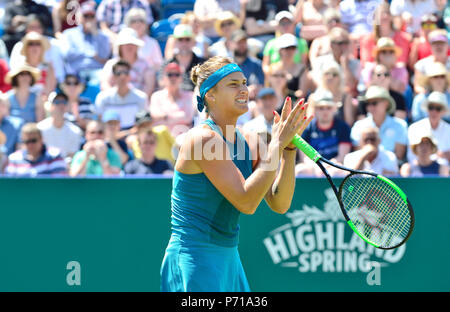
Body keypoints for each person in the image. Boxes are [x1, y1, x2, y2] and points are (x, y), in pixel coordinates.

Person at [160, 56, 313, 292]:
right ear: (210, 94)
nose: (243, 89)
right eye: (233, 84)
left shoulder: (250, 140)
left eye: (244, 83)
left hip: (229, 259)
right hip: (195, 258)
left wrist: (288, 151)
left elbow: (279, 202)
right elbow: (247, 201)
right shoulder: (202, 139)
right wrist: (276, 145)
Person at [295, 90, 352, 177]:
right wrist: (318, 167)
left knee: (338, 172)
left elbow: (342, 156)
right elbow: (304, 157)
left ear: (334, 109)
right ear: (315, 109)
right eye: (321, 108)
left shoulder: (343, 127)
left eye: (328, 108)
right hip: (313, 167)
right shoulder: (307, 128)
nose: (325, 111)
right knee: (299, 170)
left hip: (334, 166)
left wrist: (327, 166)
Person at [351, 86, 408, 162]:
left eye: (374, 103)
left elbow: (399, 156)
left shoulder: (400, 126)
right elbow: (357, 155)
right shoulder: (359, 126)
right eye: (368, 103)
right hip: (365, 171)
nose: (370, 107)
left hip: (390, 171)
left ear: (386, 103)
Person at [61, 1, 111, 86]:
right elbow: (67, 54)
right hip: (76, 71)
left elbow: (104, 56)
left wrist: (96, 35)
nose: (88, 19)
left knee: (103, 82)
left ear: (96, 18)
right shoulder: (69, 34)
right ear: (79, 17)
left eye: (91, 16)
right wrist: (90, 53)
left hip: (97, 72)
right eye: (85, 16)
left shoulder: (103, 36)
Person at [101, 27, 156, 98]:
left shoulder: (145, 64)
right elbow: (105, 83)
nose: (130, 46)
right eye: (126, 44)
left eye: (133, 44)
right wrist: (115, 98)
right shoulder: (111, 64)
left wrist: (138, 100)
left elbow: (149, 86)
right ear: (120, 47)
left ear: (137, 47)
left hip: (137, 103)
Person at [95, 59, 147, 130]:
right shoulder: (103, 98)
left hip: (133, 137)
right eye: (118, 73)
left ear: (130, 76)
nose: (122, 76)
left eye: (126, 73)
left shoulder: (141, 97)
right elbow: (100, 122)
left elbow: (143, 123)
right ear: (113, 77)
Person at [149, 62, 195, 138]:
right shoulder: (156, 96)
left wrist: (165, 117)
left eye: (176, 75)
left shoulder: (190, 95)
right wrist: (181, 116)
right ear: (164, 78)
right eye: (170, 75)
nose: (173, 78)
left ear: (181, 78)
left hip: (184, 137)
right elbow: (154, 116)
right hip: (163, 138)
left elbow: (188, 117)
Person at [359, 2, 411, 68]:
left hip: (395, 73)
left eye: (387, 13)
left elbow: (402, 63)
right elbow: (366, 63)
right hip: (375, 74)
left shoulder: (403, 38)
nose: (385, 16)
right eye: (381, 14)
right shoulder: (367, 39)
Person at [311, 27, 360, 97]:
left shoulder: (356, 64)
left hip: (345, 100)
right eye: (340, 43)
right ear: (331, 45)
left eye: (346, 42)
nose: (343, 46)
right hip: (325, 98)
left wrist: (345, 65)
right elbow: (319, 84)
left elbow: (351, 87)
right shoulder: (320, 62)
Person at [37, 91, 83, 160]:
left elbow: (72, 156)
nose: (61, 105)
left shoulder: (75, 131)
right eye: (57, 102)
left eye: (64, 102)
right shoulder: (39, 129)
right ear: (50, 105)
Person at [408, 91, 450, 163]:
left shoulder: (448, 130)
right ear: (427, 109)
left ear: (443, 111)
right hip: (420, 171)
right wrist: (439, 155)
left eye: (438, 108)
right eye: (431, 108)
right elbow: (411, 156)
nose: (434, 111)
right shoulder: (414, 128)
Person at [12, 31, 56, 96]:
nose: (34, 47)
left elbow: (50, 89)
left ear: (42, 47)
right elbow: (16, 88)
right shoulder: (20, 67)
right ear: (26, 48)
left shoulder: (48, 67)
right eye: (31, 44)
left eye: (38, 44)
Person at [165, 24, 206, 92]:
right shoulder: (167, 63)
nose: (184, 43)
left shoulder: (203, 64)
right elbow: (162, 84)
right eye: (180, 39)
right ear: (174, 42)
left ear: (194, 42)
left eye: (187, 39)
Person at [315, 61, 357, 127]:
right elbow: (310, 122)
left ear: (340, 78)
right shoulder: (314, 97)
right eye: (327, 73)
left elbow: (349, 122)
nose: (330, 77)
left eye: (334, 74)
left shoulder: (346, 97)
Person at [229, 29, 265, 100]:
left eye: (244, 42)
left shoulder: (256, 64)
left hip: (251, 102)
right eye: (239, 42)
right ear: (231, 44)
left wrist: (255, 88)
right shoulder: (226, 66)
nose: (242, 45)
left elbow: (261, 85)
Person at [275, 34, 313, 100]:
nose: (289, 51)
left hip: (294, 104)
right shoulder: (273, 69)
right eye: (286, 48)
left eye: (292, 48)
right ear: (280, 50)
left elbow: (302, 93)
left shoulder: (302, 69)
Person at [414, 29, 450, 94]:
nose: (438, 46)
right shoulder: (422, 65)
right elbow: (417, 87)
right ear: (430, 46)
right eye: (435, 43)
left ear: (447, 45)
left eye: (441, 43)